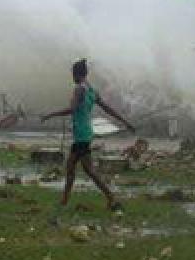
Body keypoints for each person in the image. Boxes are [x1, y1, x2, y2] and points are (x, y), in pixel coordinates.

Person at [42, 58, 135, 211]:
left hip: (81, 135)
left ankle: (68, 201)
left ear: (78, 74)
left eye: (73, 74)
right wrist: (125, 122)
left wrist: (50, 115)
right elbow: (107, 109)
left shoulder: (79, 89)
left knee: (76, 168)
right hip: (85, 133)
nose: (72, 77)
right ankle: (104, 197)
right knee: (82, 169)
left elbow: (71, 109)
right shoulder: (92, 91)